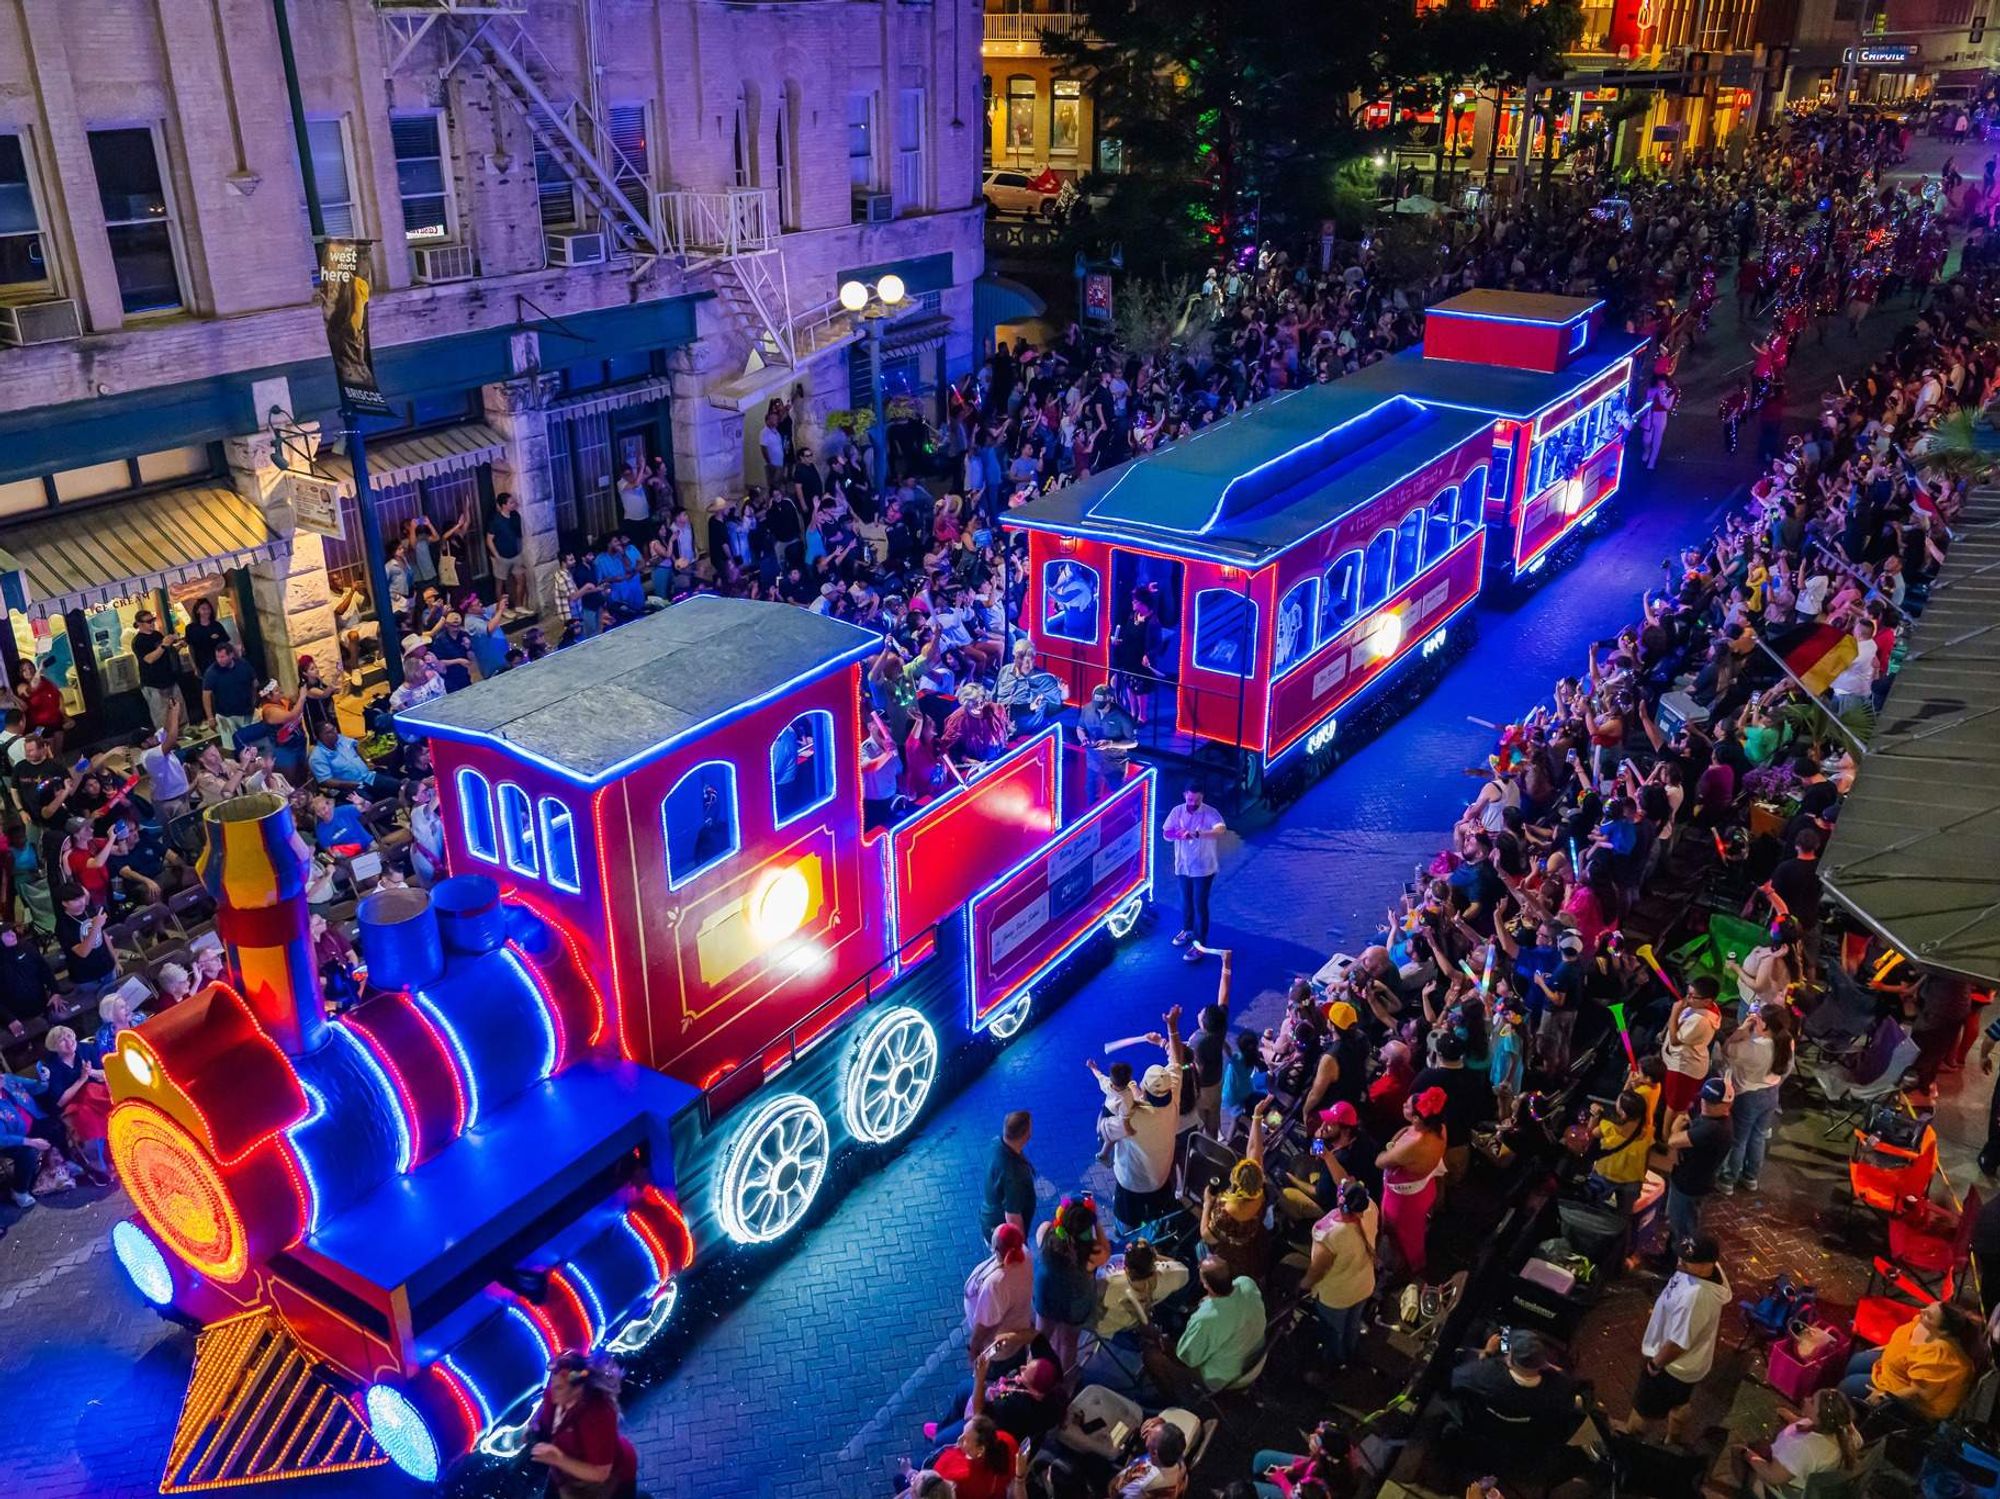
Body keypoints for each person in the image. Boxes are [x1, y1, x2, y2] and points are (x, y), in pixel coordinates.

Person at [1624, 1234, 1730, 1443]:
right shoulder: (1709, 1271)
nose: (1680, 1262)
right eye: (1681, 1256)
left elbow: (1678, 1343)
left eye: (1687, 1260)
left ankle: (1628, 1442)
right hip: (1689, 1367)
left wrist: (1655, 1366)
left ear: (1706, 1264)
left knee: (1643, 1409)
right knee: (1679, 1402)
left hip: (1671, 1367)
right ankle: (1674, 1439)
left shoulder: (1697, 1297)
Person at [1141, 1252, 1266, 1403]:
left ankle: (1182, 1399)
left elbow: (1185, 1359)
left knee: (1151, 1355)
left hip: (1227, 1378)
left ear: (1205, 1284)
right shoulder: (1247, 1283)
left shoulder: (1205, 1319)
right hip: (1256, 1356)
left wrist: (1159, 1338)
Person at [1108, 1010, 1188, 1228]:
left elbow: (1105, 1127)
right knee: (1157, 1223)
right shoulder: (1174, 1097)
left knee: (1126, 1226)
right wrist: (1169, 1031)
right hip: (1160, 1180)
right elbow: (1176, 1059)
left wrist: (1127, 1090)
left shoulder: (1133, 1117)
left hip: (1130, 1184)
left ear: (1145, 1089)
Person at [1838, 1301, 1981, 1421]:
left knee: (1847, 1386)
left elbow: (1919, 1393)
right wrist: (1885, 1348)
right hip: (1898, 1366)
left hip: (1914, 1400)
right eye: (1927, 1308)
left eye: (1928, 1315)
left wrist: (1883, 1396)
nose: (1921, 1311)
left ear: (1943, 1332)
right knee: (1855, 1362)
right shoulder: (1926, 1323)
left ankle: (1856, 1419)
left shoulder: (1939, 1358)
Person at [526, 1350, 637, 1499]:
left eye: (559, 1388)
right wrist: (536, 1427)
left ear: (577, 1389)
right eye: (552, 1383)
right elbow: (545, 1417)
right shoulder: (554, 1393)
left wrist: (557, 1459)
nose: (551, 1391)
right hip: (568, 1475)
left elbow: (600, 1473)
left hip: (611, 1481)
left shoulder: (598, 1414)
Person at [1717, 1003, 1792, 1195]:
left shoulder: (1753, 1048)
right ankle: (1751, 1177)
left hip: (1748, 1095)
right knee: (1758, 1136)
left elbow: (1727, 1050)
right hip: (1771, 1092)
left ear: (1765, 1025)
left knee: (1739, 1140)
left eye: (1759, 1019)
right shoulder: (1787, 1041)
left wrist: (1742, 1029)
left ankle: (1728, 1180)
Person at [1302, 1180, 1377, 1368]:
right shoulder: (1371, 1209)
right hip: (1364, 1284)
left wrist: (1303, 1285)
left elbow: (1318, 1270)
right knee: (1351, 1325)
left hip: (1337, 1296)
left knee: (1333, 1331)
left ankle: (1334, 1362)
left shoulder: (1328, 1233)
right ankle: (1349, 1354)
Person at [1376, 1086, 1447, 1279]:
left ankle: (1410, 1269)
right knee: (1414, 1231)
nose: (1403, 1105)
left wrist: (1392, 1144)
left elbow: (1380, 1161)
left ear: (1416, 1118)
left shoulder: (1411, 1147)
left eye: (1407, 1105)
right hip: (1425, 1188)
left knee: (1402, 1236)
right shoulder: (1439, 1129)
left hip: (1403, 1203)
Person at [1739, 1388, 1863, 1498]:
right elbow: (1809, 1424)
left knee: (1738, 1451)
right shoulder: (1847, 1430)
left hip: (1790, 1487)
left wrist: (1746, 1453)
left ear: (1820, 1417)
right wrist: (1792, 1418)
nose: (1806, 1399)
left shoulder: (1804, 1448)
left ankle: (1742, 1491)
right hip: (1804, 1471)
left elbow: (1773, 1476)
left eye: (1812, 1401)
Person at [1034, 1195, 1108, 1374]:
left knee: (1040, 1337)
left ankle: (1035, 1371)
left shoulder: (1045, 1233)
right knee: (1068, 1342)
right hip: (1074, 1303)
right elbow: (1106, 1249)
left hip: (1047, 1295)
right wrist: (1096, 1222)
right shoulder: (1092, 1254)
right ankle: (1065, 1380)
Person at [1664, 1076, 1733, 1248]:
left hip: (1690, 1186)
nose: (1705, 1105)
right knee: (1676, 1222)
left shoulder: (1713, 1129)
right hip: (1687, 1179)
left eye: (1712, 1103)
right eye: (1704, 1099)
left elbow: (1672, 1140)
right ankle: (1669, 1256)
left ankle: (1678, 1262)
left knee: (1683, 1228)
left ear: (1727, 1105)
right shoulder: (1709, 1119)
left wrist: (1675, 1127)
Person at [1163, 784, 1226, 960]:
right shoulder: (1177, 811)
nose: (1193, 803)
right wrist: (1178, 834)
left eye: (1197, 800)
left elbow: (1221, 829)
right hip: (1183, 866)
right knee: (1186, 901)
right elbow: (1166, 833)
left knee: (1200, 904)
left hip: (1203, 868)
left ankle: (1200, 944)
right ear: (1185, 796)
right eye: (1190, 799)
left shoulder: (1210, 812)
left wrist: (1198, 834)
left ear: (1202, 798)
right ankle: (1187, 930)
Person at [964, 1222, 1035, 1366]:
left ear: (997, 1250)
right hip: (1017, 1329)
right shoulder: (1025, 1253)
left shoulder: (996, 1284)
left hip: (998, 1351)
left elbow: (984, 1326)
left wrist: (974, 1349)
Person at [1092, 1237, 1189, 1339]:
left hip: (1113, 1325)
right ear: (1154, 1263)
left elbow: (1097, 1304)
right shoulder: (1173, 1274)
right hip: (1142, 1317)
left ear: (1125, 1269)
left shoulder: (1111, 1284)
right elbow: (1179, 1267)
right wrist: (1154, 1257)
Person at [1250, 1422, 1353, 1499]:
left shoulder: (1321, 1486)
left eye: (1317, 1439)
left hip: (1305, 1494)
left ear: (1323, 1452)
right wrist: (1294, 1468)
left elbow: (1294, 1496)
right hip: (1307, 1484)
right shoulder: (1335, 1460)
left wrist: (1280, 1479)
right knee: (1261, 1458)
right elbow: (1312, 1463)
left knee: (1252, 1489)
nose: (1312, 1436)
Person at [930, 1412, 1016, 1499]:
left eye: (965, 1439)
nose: (959, 1439)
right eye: (962, 1433)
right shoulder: (1006, 1440)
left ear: (980, 1450)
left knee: (938, 1441)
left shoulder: (960, 1476)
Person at [980, 1110, 1037, 1240]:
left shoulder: (996, 1143)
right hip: (1001, 1233)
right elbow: (1012, 1216)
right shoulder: (1014, 1175)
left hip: (988, 1220)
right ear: (1026, 1135)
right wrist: (1020, 1246)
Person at [308, 722, 399, 800]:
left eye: (334, 729)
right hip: (349, 787)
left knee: (398, 786)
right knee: (371, 804)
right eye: (329, 732)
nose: (334, 733)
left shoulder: (341, 739)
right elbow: (325, 781)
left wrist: (366, 762)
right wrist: (348, 784)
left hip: (368, 777)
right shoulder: (317, 757)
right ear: (319, 737)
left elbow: (357, 746)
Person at [1106, 1417, 1187, 1499]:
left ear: (1155, 1453)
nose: (1149, 1430)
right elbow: (1170, 1437)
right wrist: (1160, 1422)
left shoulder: (1141, 1485)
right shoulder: (1176, 1454)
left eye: (1151, 1435)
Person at [129, 607, 183, 730]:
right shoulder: (138, 641)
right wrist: (164, 645)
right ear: (139, 624)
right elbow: (149, 659)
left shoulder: (157, 634)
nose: (152, 623)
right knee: (162, 717)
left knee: (180, 711)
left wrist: (178, 646)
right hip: (153, 684)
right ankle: (166, 743)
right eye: (148, 622)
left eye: (153, 620)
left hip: (169, 678)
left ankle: (185, 736)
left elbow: (166, 652)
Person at [201, 640, 259, 744]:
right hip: (225, 715)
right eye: (217, 657)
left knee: (250, 742)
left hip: (245, 712)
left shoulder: (243, 665)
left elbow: (254, 683)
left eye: (222, 657)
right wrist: (210, 717)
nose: (219, 660)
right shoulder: (212, 672)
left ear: (231, 655)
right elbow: (206, 695)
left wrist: (254, 701)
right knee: (230, 745)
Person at [486, 490, 533, 615]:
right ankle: (503, 609)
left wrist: (520, 549)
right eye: (511, 502)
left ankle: (519, 605)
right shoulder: (496, 520)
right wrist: (496, 556)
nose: (514, 504)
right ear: (503, 505)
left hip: (515, 554)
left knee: (521, 579)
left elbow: (518, 535)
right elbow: (489, 539)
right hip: (501, 556)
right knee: (500, 583)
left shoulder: (516, 516)